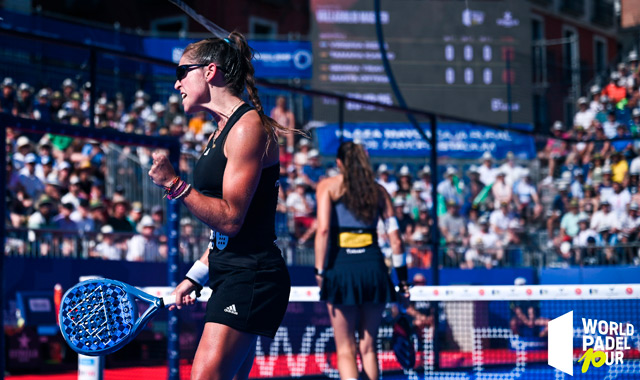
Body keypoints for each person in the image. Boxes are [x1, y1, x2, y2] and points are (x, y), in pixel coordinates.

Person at [147, 33, 293, 380]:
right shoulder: (220, 131)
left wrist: (174, 184)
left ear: (209, 71)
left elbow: (230, 220)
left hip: (251, 274)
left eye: (183, 72)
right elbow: (223, 236)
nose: (177, 82)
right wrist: (194, 277)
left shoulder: (247, 127)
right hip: (230, 272)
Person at [314, 141, 408, 380]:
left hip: (340, 269)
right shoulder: (379, 192)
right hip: (374, 271)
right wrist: (403, 282)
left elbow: (323, 230)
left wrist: (320, 271)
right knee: (369, 348)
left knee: (345, 349)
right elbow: (396, 241)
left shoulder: (327, 186)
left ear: (339, 163)